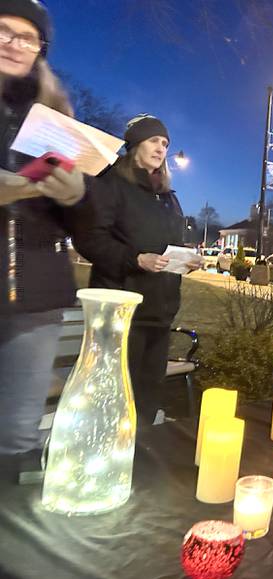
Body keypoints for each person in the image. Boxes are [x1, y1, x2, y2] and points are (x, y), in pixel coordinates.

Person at [72, 115, 201, 425]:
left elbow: (171, 244)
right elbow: (88, 238)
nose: (161, 148)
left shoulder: (168, 197)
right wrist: (135, 259)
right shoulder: (110, 184)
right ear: (134, 144)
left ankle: (136, 463)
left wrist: (188, 259)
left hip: (159, 312)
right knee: (113, 402)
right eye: (154, 140)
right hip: (121, 312)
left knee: (145, 402)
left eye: (166, 143)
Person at [0, 1, 86, 463]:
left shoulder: (54, 116)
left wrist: (76, 199)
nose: (14, 44)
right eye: (4, 30)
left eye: (27, 37)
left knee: (16, 438)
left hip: (36, 300)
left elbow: (84, 226)